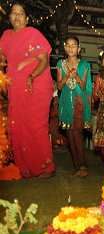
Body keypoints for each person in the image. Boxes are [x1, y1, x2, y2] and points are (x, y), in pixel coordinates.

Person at [0, 2, 55, 178]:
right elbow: (2, 57)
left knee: (36, 125)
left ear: (27, 18)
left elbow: (43, 60)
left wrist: (31, 76)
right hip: (15, 87)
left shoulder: (33, 34)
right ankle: (24, 167)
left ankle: (46, 167)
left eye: (21, 13)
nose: (16, 16)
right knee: (17, 125)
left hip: (37, 84)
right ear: (9, 17)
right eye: (13, 13)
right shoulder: (6, 36)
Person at [57, 36, 92, 177]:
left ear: (78, 48)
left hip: (79, 102)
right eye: (68, 45)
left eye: (74, 45)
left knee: (77, 133)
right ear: (65, 48)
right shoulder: (60, 64)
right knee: (70, 135)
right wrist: (67, 76)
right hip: (66, 103)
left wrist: (76, 75)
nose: (71, 48)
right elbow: (59, 86)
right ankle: (77, 166)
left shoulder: (85, 65)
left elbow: (84, 86)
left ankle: (83, 166)